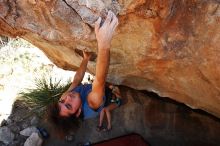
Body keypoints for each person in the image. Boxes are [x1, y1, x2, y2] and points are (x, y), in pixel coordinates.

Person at [47, 10, 119, 137]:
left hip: (94, 88)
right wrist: (104, 42)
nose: (67, 98)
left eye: (62, 101)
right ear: (79, 111)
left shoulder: (67, 97)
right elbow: (99, 80)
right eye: (69, 105)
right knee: (111, 87)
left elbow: (76, 80)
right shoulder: (92, 104)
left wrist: (85, 59)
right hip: (107, 94)